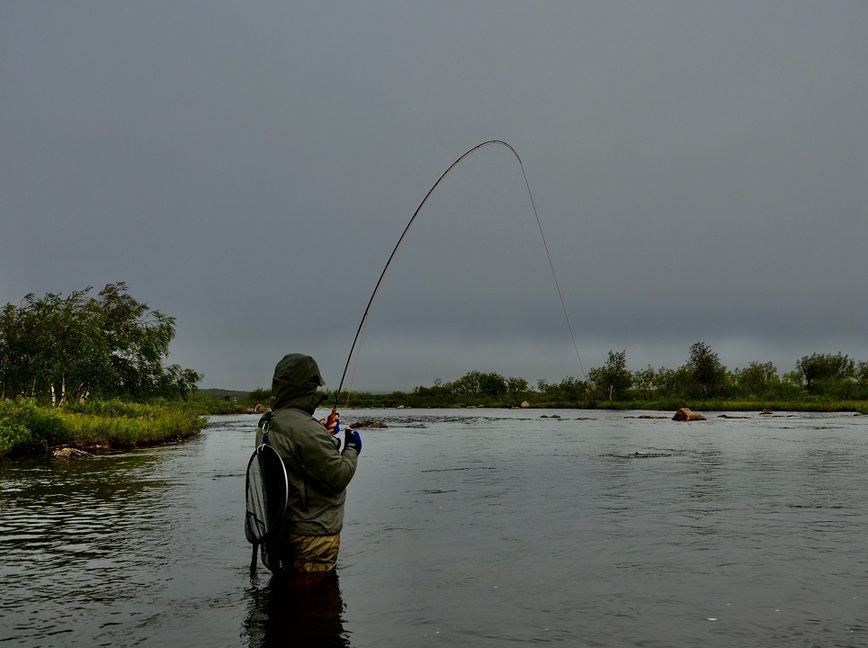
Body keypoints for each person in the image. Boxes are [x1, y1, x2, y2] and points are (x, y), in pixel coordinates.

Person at [256, 353, 361, 577]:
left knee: (289, 592)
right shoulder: (306, 429)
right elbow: (339, 476)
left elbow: (295, 453)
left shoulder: (268, 421)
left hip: (282, 530)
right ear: (306, 387)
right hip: (314, 536)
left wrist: (323, 434)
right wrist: (352, 448)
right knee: (316, 597)